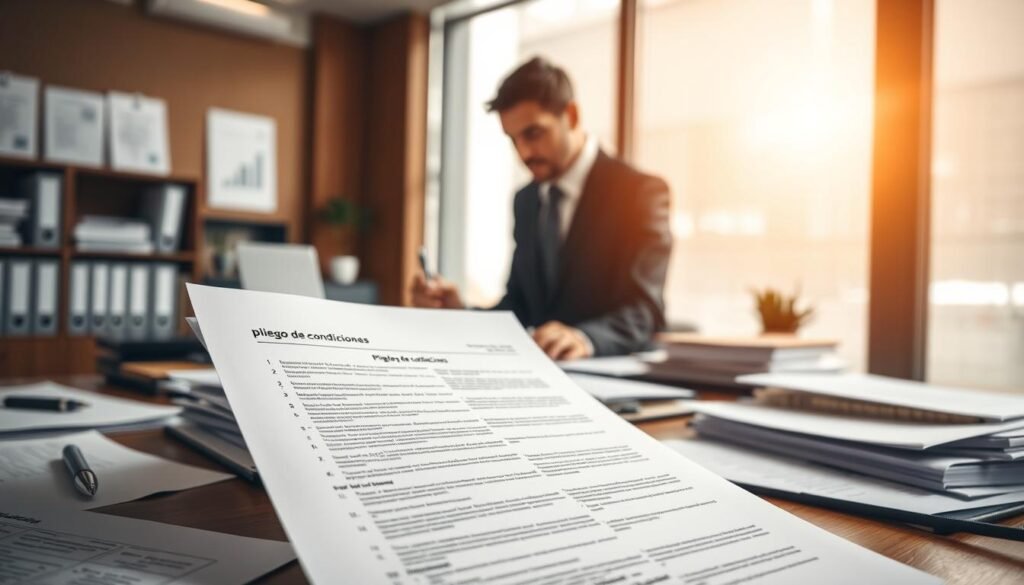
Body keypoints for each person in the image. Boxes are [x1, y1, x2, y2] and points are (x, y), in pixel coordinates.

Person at [412, 57, 672, 361]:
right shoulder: (526, 201)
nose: (523, 153)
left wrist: (586, 338)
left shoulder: (640, 193)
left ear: (572, 115)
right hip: (543, 374)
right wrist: (460, 311)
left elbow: (645, 310)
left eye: (533, 134)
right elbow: (519, 307)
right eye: (513, 140)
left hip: (612, 374)